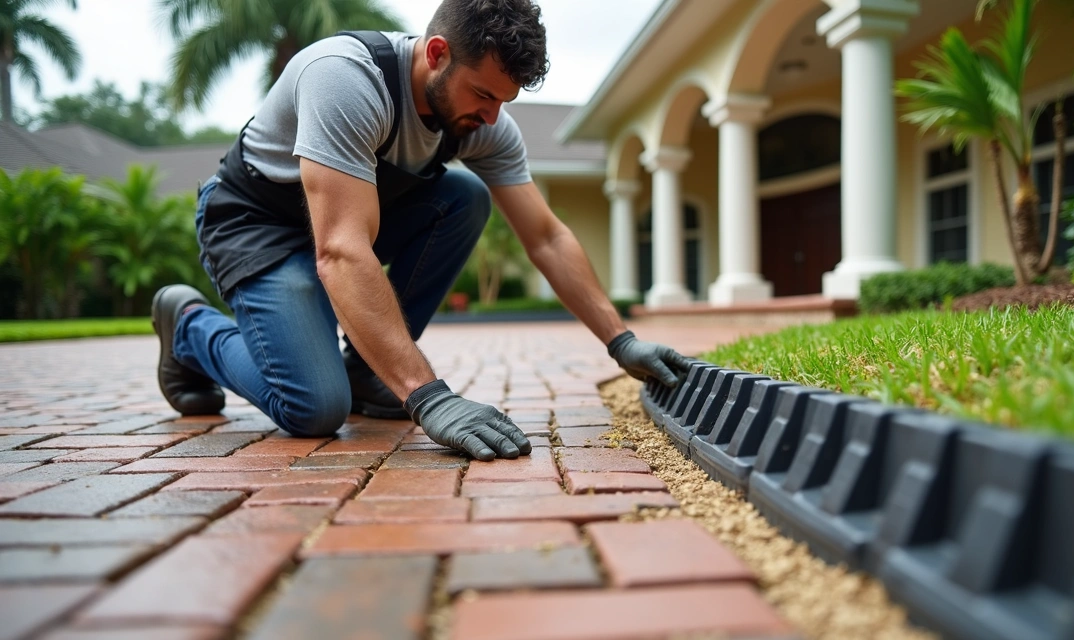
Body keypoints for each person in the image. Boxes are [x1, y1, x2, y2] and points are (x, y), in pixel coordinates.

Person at [152, 0, 691, 461]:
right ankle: (189, 326)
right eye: (483, 94)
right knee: (315, 409)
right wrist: (428, 396)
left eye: (505, 100)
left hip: (342, 227)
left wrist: (621, 342)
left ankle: (368, 372)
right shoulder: (345, 79)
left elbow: (546, 237)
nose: (492, 116)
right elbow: (341, 252)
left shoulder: (485, 124)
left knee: (463, 198)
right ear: (436, 54)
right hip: (258, 224)